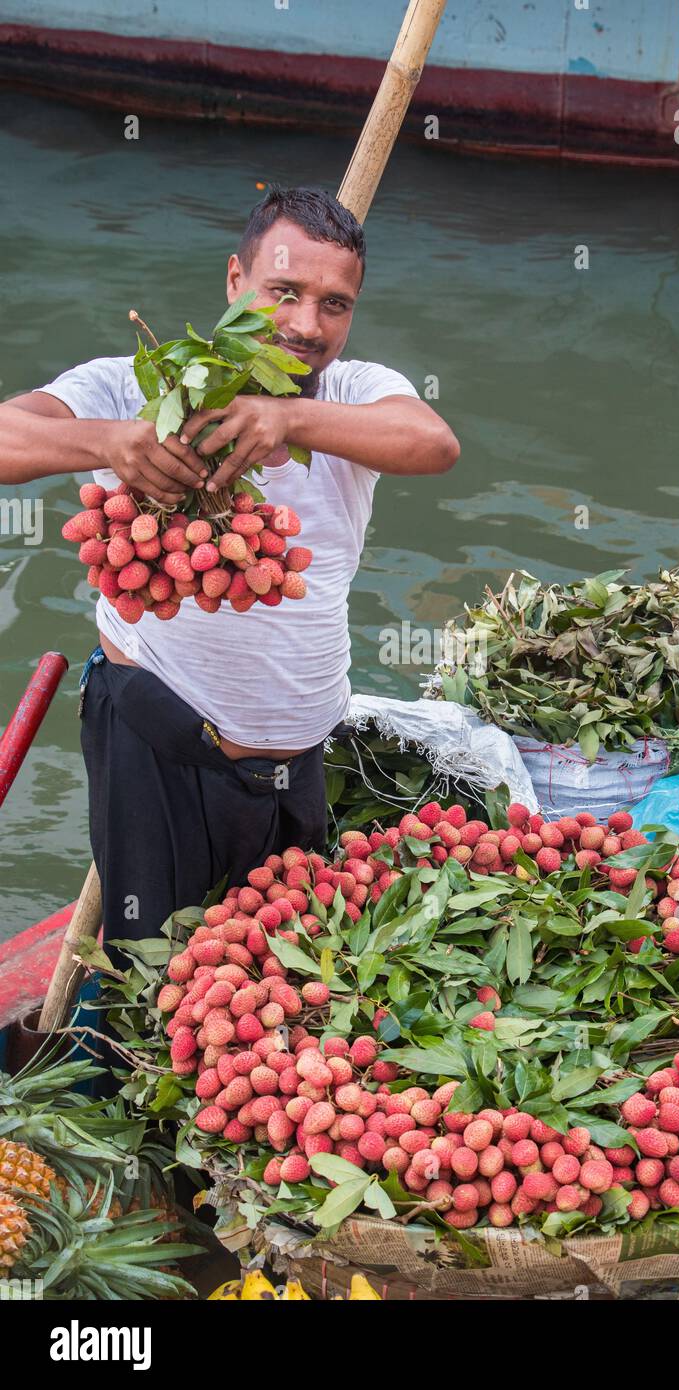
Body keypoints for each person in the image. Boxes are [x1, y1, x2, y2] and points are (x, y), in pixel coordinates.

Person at [0, 186, 460, 965]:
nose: (308, 326)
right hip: (162, 754)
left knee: (282, 976)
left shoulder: (351, 395)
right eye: (285, 293)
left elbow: (433, 444)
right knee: (155, 984)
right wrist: (111, 444)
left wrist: (289, 418)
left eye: (335, 304)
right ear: (234, 282)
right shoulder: (135, 387)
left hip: (298, 757)